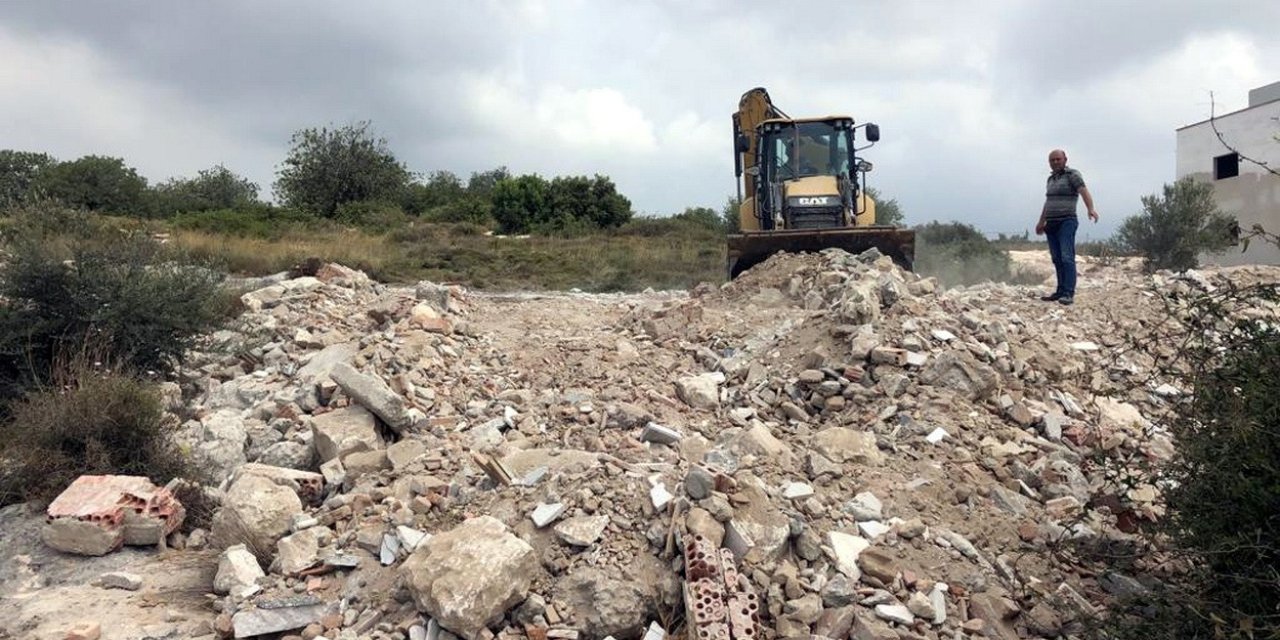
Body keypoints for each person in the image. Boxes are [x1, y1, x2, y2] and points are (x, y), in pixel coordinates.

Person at [1035, 149, 1098, 305]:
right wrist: (1041, 221)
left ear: (1065, 159)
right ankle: (1060, 291)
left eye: (1058, 159)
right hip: (1051, 222)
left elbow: (1084, 192)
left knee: (1066, 257)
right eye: (1052, 160)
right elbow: (1048, 202)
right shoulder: (1050, 179)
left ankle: (1068, 293)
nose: (1055, 162)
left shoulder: (1073, 175)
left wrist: (1090, 209)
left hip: (1067, 221)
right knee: (1056, 258)